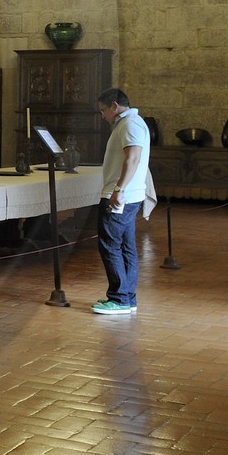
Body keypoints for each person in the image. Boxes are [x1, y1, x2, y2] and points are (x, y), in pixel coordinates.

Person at [93, 87, 150, 316]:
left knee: (109, 244)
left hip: (121, 197)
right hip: (126, 196)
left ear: (115, 106)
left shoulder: (130, 124)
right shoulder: (129, 124)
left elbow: (133, 157)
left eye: (103, 110)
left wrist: (119, 189)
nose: (102, 115)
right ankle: (127, 297)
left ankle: (118, 299)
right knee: (126, 246)